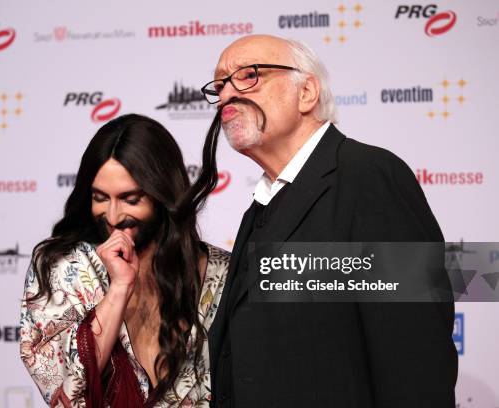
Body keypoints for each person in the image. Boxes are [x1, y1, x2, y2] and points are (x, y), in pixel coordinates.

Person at [192, 35, 457, 407]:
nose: (226, 95)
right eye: (219, 85)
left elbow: (414, 354)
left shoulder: (368, 177)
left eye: (248, 75)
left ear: (307, 92)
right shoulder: (262, 206)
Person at [19, 114, 230, 407]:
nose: (114, 216)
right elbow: (68, 397)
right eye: (100, 198)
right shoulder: (62, 266)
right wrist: (118, 289)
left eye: (130, 199)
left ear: (162, 195)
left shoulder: (223, 273)